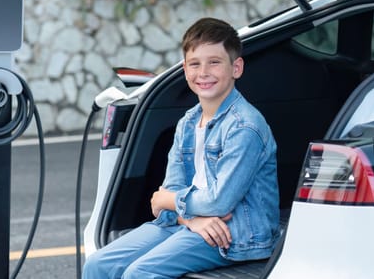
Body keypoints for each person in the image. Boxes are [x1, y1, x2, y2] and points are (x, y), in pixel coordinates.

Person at [82, 17, 280, 279]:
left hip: (234, 233)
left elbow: (217, 202)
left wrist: (170, 201)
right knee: (97, 265)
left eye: (215, 62)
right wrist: (190, 218)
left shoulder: (245, 127)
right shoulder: (187, 122)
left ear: (236, 67)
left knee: (140, 274)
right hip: (192, 223)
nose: (203, 72)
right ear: (185, 70)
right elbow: (168, 196)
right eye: (195, 64)